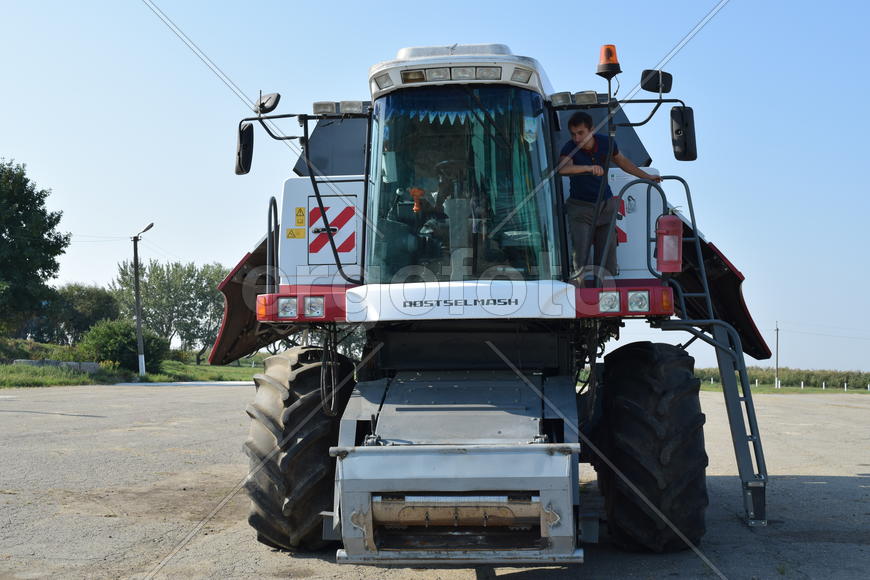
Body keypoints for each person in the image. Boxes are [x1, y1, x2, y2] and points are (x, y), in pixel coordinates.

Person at [557, 111, 662, 281]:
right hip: (580, 209)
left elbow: (623, 162)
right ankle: (579, 295)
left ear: (591, 130)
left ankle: (606, 294)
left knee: (608, 255)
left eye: (581, 133)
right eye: (573, 134)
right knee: (581, 256)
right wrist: (588, 168)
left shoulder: (606, 143)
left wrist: (647, 176)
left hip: (606, 207)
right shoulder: (570, 148)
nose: (577, 138)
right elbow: (563, 169)